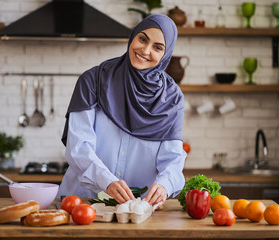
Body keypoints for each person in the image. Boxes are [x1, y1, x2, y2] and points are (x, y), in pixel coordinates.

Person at [58, 14, 186, 206]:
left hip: (135, 208)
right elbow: (78, 147)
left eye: (157, 47)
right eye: (142, 39)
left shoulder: (172, 98)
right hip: (82, 201)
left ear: (165, 55)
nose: (145, 50)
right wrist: (106, 182)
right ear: (133, 36)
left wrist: (165, 185)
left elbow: (173, 160)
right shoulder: (93, 80)